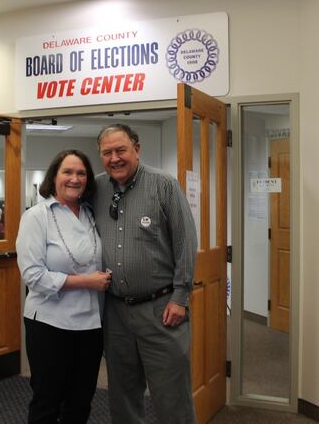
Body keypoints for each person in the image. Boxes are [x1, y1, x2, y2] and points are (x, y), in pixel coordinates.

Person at [92, 124, 198, 424]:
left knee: (171, 396)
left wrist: (181, 297)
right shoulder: (96, 189)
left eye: (121, 150)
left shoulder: (163, 185)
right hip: (115, 312)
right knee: (122, 396)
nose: (115, 158)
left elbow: (186, 243)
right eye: (107, 152)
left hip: (162, 310)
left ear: (136, 149)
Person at [16, 149, 112, 424]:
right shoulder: (36, 216)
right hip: (49, 324)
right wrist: (87, 281)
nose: (74, 178)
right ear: (54, 177)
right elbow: (33, 275)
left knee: (81, 402)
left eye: (81, 173)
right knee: (47, 401)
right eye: (67, 172)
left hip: (90, 325)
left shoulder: (91, 214)